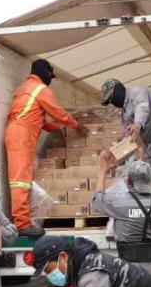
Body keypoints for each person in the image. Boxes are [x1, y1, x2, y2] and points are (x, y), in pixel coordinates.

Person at [5, 59, 89, 237]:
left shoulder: (24, 89)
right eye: (51, 75)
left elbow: (40, 120)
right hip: (22, 135)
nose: (51, 79)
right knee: (20, 181)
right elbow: (57, 111)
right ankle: (22, 224)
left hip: (19, 132)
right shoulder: (40, 89)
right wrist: (76, 125)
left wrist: (60, 128)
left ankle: (23, 220)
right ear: (45, 72)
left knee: (22, 179)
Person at [101, 78, 151, 228]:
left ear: (118, 89)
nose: (113, 102)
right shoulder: (125, 114)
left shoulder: (136, 92)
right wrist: (115, 156)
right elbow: (128, 137)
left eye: (112, 98)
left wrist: (138, 124)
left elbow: (142, 107)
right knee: (148, 176)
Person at [90, 151, 151, 282]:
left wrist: (103, 170)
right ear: (149, 179)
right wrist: (143, 167)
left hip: (130, 265)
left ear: (129, 181)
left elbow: (97, 201)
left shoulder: (121, 202)